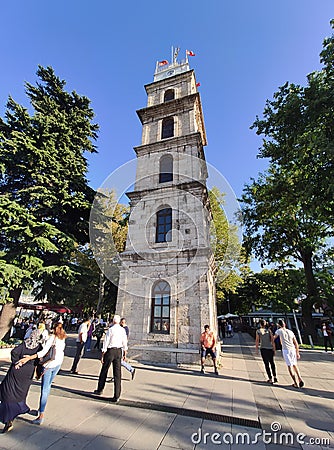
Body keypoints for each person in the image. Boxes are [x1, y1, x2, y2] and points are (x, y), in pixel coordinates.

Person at [17, 322, 67, 425]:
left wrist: (29, 357)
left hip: (48, 365)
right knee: (48, 387)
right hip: (57, 364)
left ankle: (41, 415)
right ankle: (41, 409)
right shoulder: (62, 338)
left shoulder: (52, 338)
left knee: (44, 389)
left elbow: (43, 353)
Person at [0, 329, 42, 433]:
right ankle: (15, 413)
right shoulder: (39, 347)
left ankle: (8, 419)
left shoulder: (24, 344)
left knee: (7, 391)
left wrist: (16, 362)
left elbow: (14, 352)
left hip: (16, 371)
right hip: (27, 373)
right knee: (20, 394)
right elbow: (40, 360)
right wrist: (38, 371)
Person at [94, 314, 128, 402]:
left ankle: (100, 389)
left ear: (113, 321)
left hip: (110, 351)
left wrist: (103, 354)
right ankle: (117, 395)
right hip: (118, 351)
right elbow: (125, 341)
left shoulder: (111, 329)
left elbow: (106, 341)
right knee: (117, 373)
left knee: (104, 370)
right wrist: (125, 352)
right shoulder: (122, 330)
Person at [274, 319, 304, 388]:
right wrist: (297, 352)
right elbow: (296, 343)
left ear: (278, 325)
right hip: (292, 349)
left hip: (286, 349)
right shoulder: (290, 331)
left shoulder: (279, 331)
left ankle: (295, 382)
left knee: (289, 365)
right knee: (295, 365)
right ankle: (299, 378)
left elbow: (273, 338)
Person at [255, 319, 278, 384]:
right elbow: (272, 340)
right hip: (270, 348)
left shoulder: (258, 331)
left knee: (266, 364)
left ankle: (270, 378)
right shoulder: (269, 331)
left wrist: (256, 349)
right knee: (272, 363)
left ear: (260, 324)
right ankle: (275, 376)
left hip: (263, 348)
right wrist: (274, 349)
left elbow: (257, 340)